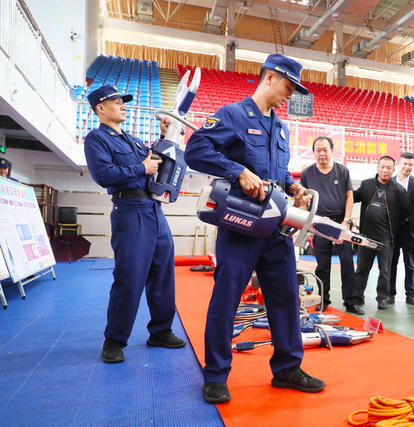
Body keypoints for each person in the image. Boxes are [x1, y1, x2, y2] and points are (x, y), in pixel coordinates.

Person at [184, 54, 325, 404]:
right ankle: (216, 374)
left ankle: (287, 368)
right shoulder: (232, 114)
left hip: (275, 229)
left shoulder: (281, 128)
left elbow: (277, 173)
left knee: (285, 298)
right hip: (241, 227)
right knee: (226, 299)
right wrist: (236, 171)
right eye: (288, 87)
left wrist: (294, 189)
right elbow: (195, 151)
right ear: (270, 78)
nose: (289, 96)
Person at [83, 84, 186, 365]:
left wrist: (165, 135)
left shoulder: (133, 139)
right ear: (100, 109)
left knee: (163, 273)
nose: (123, 105)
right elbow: (104, 174)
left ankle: (161, 331)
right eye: (116, 102)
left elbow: (155, 159)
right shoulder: (96, 140)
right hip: (129, 211)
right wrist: (141, 168)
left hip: (153, 210)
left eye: (123, 101)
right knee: (129, 277)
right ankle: (114, 341)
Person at [300, 136, 356, 313]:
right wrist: (306, 222)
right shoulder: (307, 174)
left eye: (325, 150)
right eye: (318, 150)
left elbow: (349, 197)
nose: (322, 153)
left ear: (332, 151)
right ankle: (324, 299)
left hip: (341, 222)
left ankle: (351, 301)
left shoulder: (342, 170)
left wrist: (347, 220)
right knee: (322, 264)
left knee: (347, 262)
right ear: (314, 152)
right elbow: (303, 200)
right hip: (319, 222)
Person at [350, 156, 409, 311]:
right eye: (382, 167)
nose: (385, 170)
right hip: (365, 237)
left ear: (393, 170)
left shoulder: (399, 190)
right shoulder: (367, 184)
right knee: (362, 269)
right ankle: (357, 297)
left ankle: (382, 298)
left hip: (386, 239)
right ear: (377, 167)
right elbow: (353, 198)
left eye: (388, 167)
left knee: (385, 271)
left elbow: (405, 214)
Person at [389, 152, 414, 307]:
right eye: (405, 164)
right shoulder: (389, 182)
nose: (407, 167)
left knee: (410, 262)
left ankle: (411, 294)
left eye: (411, 164)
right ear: (399, 163)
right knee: (392, 261)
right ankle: (390, 294)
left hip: (411, 228)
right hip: (393, 229)